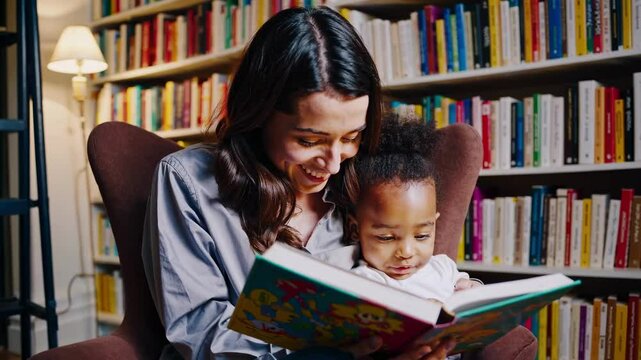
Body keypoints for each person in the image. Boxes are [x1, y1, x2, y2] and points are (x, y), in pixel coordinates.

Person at [141, 6, 454, 360]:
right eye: (308, 141)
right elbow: (200, 335)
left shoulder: (371, 182)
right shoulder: (187, 181)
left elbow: (410, 274)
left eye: (351, 137)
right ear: (258, 115)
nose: (334, 164)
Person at [348, 118, 482, 303]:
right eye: (387, 237)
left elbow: (467, 287)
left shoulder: (443, 267)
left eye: (422, 236)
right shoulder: (366, 280)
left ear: (434, 224)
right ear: (356, 230)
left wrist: (472, 288)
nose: (406, 252)